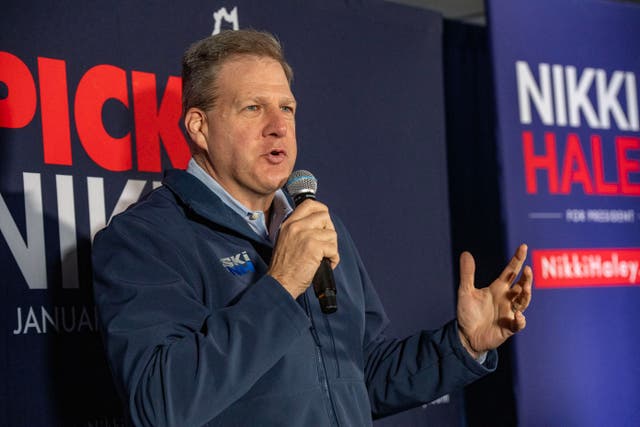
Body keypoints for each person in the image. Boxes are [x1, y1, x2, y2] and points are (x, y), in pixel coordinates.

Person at [92, 29, 532, 427]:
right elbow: (160, 405)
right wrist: (281, 286)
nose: (278, 126)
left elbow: (362, 375)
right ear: (199, 127)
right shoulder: (144, 239)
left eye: (287, 107)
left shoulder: (316, 225)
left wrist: (462, 344)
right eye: (252, 108)